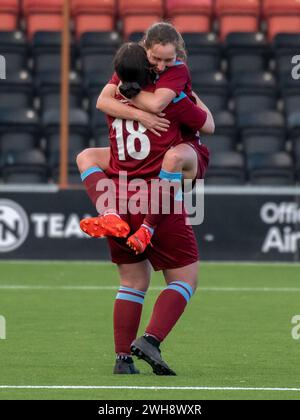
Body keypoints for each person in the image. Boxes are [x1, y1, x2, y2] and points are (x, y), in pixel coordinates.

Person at [78, 42, 212, 375]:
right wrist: (188, 93)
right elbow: (207, 124)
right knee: (185, 279)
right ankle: (151, 339)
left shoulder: (114, 100)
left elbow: (104, 100)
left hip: (120, 195)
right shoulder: (173, 100)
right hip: (156, 197)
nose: (165, 65)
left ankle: (122, 359)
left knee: (132, 282)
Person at [77, 22, 214, 253]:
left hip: (183, 158)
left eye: (168, 60)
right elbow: (102, 101)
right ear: (145, 50)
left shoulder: (174, 76)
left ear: (177, 56)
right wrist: (140, 115)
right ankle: (110, 214)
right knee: (86, 156)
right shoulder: (133, 68)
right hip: (149, 167)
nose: (161, 66)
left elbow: (159, 104)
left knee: (172, 158)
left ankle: (147, 228)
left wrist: (124, 92)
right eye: (155, 59)